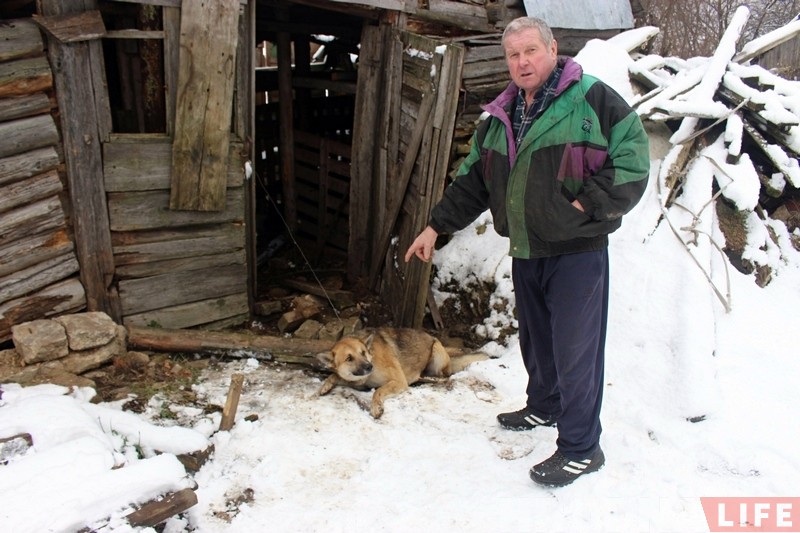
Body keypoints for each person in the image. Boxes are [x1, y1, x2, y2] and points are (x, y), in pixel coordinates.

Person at [404, 16, 649, 487]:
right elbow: (472, 181)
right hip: (527, 248)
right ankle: (544, 406)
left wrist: (585, 204)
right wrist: (435, 226)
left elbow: (634, 158)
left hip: (577, 250)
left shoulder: (591, 99)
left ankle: (581, 447)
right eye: (513, 55)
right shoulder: (501, 116)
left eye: (530, 51)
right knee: (537, 341)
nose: (522, 62)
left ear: (552, 49)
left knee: (577, 351)